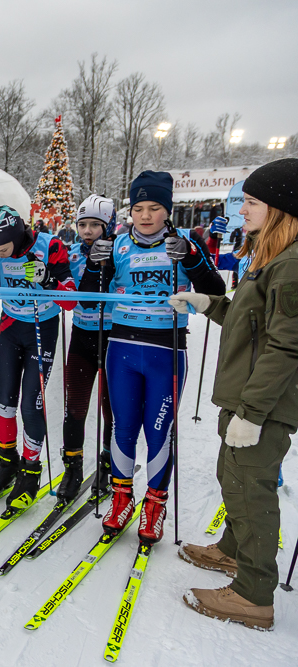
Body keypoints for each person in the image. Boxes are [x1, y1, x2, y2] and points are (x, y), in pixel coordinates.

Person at [171, 158, 298, 630]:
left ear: (282, 209)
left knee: (251, 491)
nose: (241, 209)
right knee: (233, 477)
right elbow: (251, 320)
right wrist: (209, 304)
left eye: (252, 202)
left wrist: (253, 412)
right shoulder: (269, 255)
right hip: (245, 397)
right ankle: (232, 550)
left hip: (260, 406)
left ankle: (253, 594)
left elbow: (287, 344)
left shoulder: (292, 264)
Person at [81, 170, 225, 544]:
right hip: (123, 349)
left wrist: (193, 258)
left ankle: (155, 505)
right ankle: (122, 498)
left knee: (157, 430)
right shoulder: (117, 244)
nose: (145, 216)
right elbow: (87, 298)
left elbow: (216, 290)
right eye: (138, 208)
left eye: (154, 208)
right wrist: (95, 262)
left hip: (166, 350)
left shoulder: (183, 243)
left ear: (167, 210)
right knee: (123, 428)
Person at [0, 205, 76, 510]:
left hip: (42, 329)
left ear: (18, 237)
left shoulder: (50, 246)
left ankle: (30, 472)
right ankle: (7, 460)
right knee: (4, 400)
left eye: (3, 249)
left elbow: (70, 298)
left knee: (31, 404)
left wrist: (47, 281)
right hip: (11, 327)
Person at [59, 195, 116, 502]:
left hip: (114, 337)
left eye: (96, 224)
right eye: (83, 224)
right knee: (75, 408)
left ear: (110, 226)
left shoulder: (120, 252)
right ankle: (73, 466)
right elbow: (80, 297)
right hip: (82, 336)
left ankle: (107, 464)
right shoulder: (72, 253)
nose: (89, 231)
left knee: (112, 410)